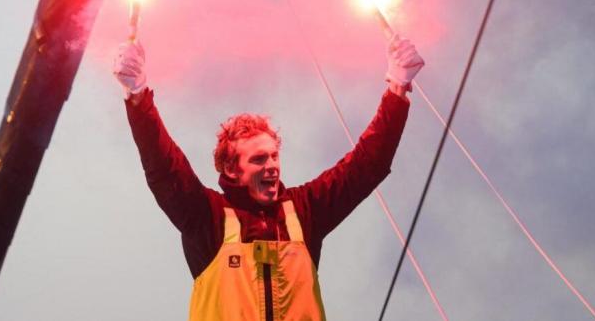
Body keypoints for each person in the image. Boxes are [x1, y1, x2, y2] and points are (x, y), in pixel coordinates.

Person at [113, 34, 424, 321]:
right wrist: (138, 96)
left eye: (274, 156)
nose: (272, 166)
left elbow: (365, 166)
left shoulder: (304, 210)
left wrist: (397, 89)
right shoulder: (205, 217)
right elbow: (164, 168)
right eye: (259, 159)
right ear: (232, 169)